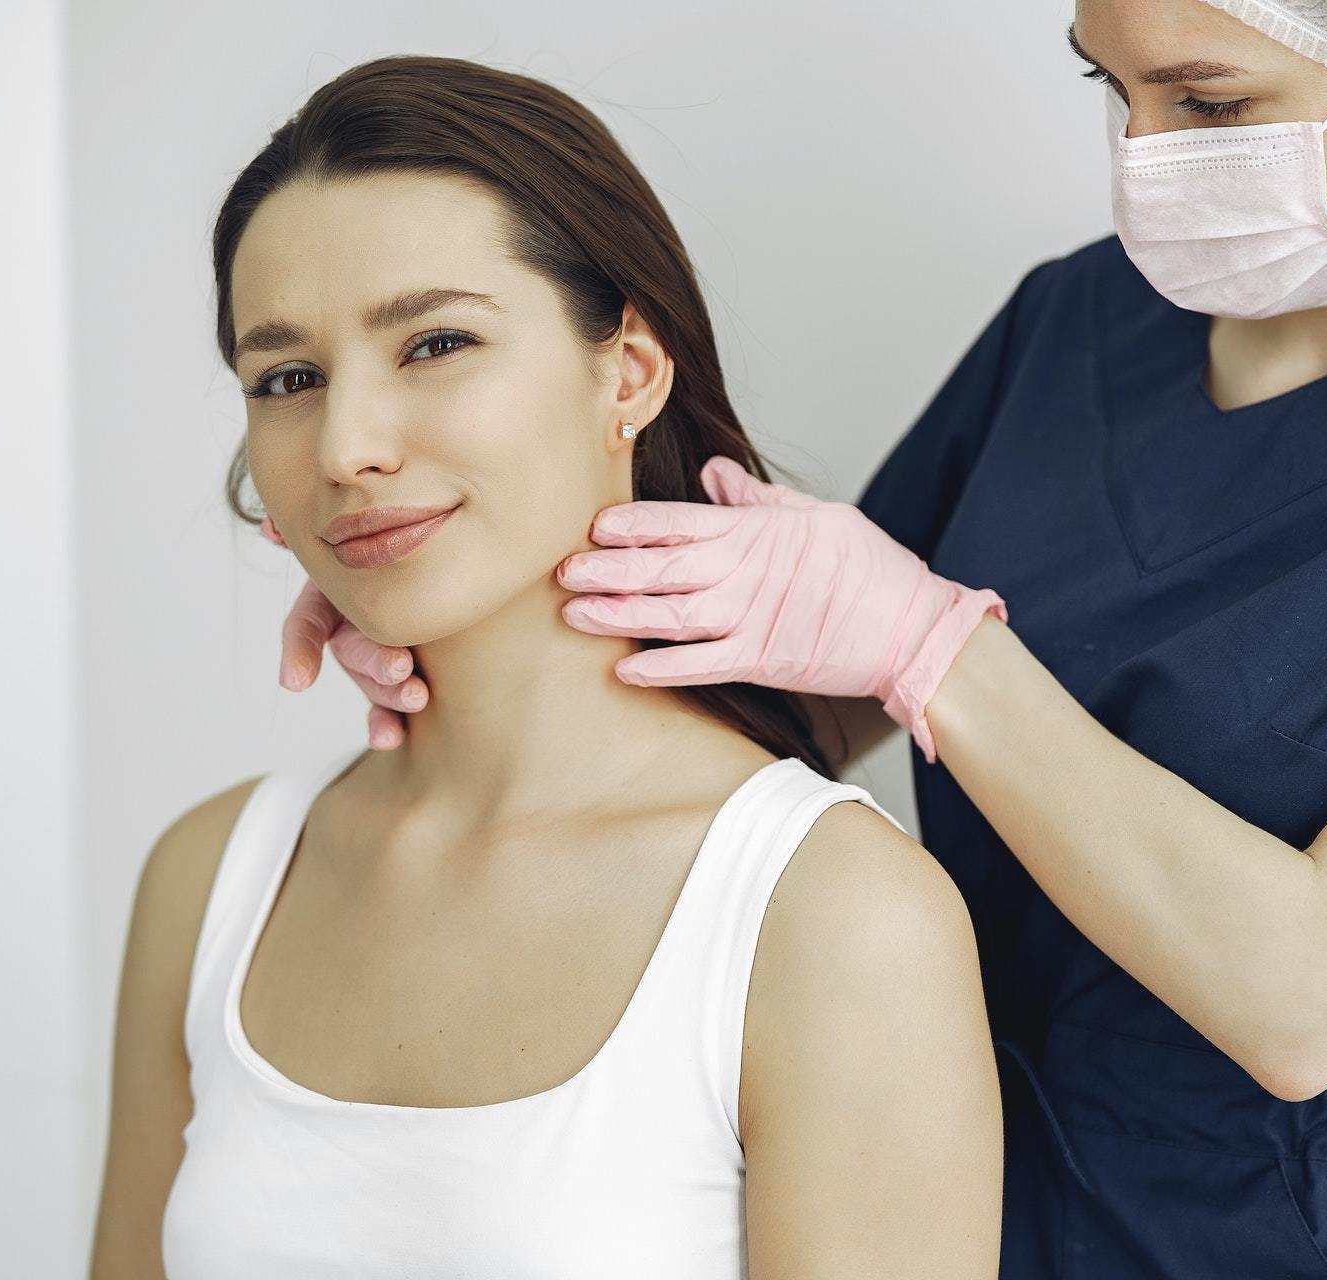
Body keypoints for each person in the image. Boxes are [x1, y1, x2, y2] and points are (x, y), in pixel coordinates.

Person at [280, 1, 1327, 1276]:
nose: (1142, 154)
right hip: (917, 1199)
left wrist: (939, 647)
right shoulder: (1081, 318)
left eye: (1205, 103)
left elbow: (1305, 1001)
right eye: (1109, 86)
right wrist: (471, 593)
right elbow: (792, 708)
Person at [88, 55, 1005, 1280]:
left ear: (626, 372)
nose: (349, 448)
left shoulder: (833, 915)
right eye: (289, 379)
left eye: (436, 342)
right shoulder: (212, 882)